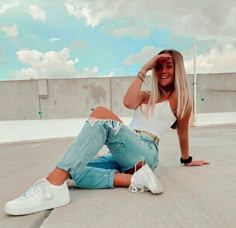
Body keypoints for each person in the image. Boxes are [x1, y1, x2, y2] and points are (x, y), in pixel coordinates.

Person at [4, 49, 208, 216]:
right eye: (159, 66)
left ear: (178, 69)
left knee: (101, 114)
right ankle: (134, 180)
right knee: (74, 170)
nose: (163, 70)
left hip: (145, 153)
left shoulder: (181, 101)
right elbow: (128, 103)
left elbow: (182, 133)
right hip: (122, 150)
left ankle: (52, 186)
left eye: (168, 66)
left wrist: (186, 159)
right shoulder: (145, 96)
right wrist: (144, 68)